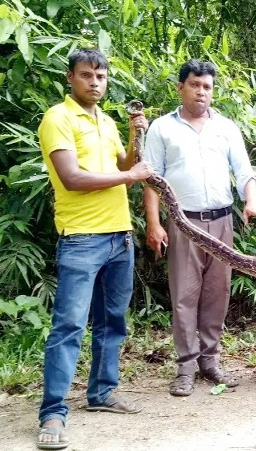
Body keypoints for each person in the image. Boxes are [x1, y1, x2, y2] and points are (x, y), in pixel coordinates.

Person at [36, 49, 153, 450]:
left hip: (119, 236)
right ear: (71, 78)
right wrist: (131, 175)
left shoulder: (104, 120)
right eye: (86, 75)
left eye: (100, 76)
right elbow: (71, 178)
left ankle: (102, 393)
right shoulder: (58, 118)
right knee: (68, 326)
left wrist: (137, 134)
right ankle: (52, 413)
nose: (95, 82)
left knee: (112, 322)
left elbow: (126, 162)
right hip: (82, 237)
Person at [143, 60, 256, 396]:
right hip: (183, 222)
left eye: (207, 87)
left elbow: (244, 171)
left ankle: (210, 361)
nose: (201, 92)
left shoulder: (226, 128)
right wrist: (154, 223)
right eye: (195, 85)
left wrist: (252, 201)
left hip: (222, 221)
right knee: (184, 295)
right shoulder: (161, 128)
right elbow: (151, 179)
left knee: (217, 293)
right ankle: (185, 367)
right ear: (180, 88)